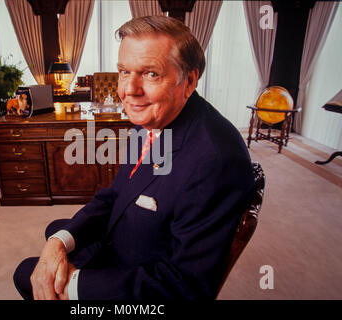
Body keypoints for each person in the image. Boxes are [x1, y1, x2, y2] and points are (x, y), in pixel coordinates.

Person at [13, 15, 255, 300]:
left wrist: (74, 286)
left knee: (25, 272)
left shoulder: (215, 161)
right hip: (129, 233)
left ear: (189, 80)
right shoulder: (154, 119)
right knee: (55, 232)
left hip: (142, 271)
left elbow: (186, 287)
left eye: (151, 74)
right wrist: (58, 243)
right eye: (124, 72)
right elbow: (115, 194)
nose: (129, 91)